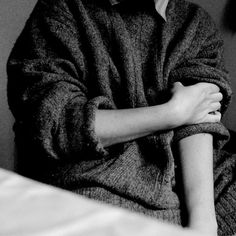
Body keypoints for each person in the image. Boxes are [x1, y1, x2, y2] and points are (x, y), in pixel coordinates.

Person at [7, 0, 236, 235]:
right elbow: (52, 123)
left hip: (191, 176)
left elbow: (200, 119)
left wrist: (203, 224)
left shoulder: (194, 22)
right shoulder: (62, 9)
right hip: (95, 175)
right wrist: (171, 114)